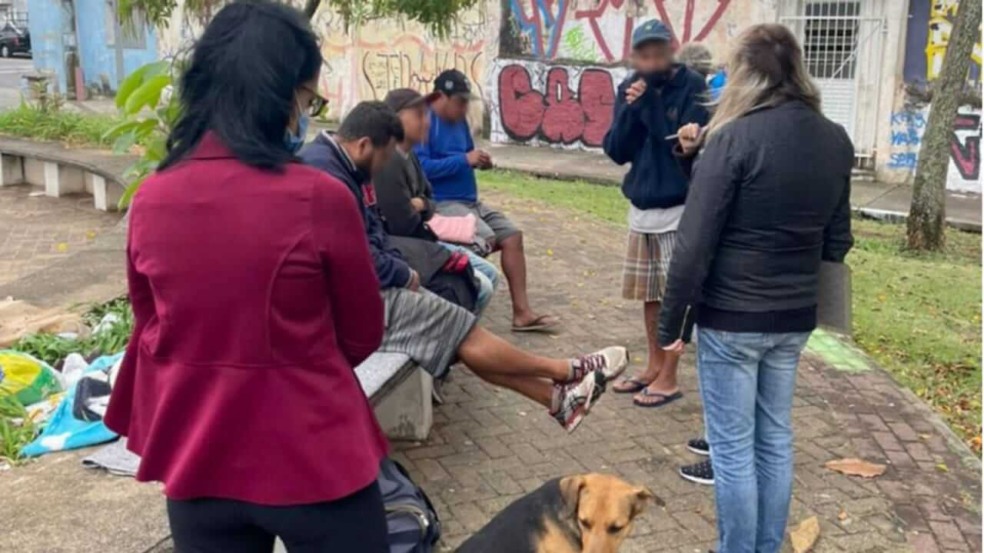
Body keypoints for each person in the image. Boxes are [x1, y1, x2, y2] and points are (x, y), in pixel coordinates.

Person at [104, 2, 391, 551]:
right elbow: (362, 333)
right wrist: (291, 363)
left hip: (199, 461)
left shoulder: (152, 199)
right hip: (315, 459)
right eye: (306, 100)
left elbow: (152, 328)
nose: (303, 114)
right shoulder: (320, 197)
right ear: (280, 94)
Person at [301, 101, 629, 432]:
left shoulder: (345, 167)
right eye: (383, 157)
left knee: (459, 334)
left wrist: (399, 267)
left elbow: (374, 233)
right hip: (345, 305)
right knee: (463, 331)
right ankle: (566, 373)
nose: (382, 167)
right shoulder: (327, 180)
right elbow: (360, 257)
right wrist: (402, 273)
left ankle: (559, 400)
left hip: (363, 290)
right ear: (363, 145)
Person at [658, 24, 854, 553]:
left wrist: (670, 324)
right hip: (793, 317)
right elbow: (838, 240)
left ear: (743, 75)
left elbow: (694, 243)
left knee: (732, 449)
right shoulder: (835, 138)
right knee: (775, 439)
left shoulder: (733, 138)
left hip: (732, 317)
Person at [603, 20, 709, 408]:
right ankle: (652, 366)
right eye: (643, 55)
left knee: (674, 296)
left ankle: (669, 376)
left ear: (672, 48)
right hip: (642, 205)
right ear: (635, 56)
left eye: (657, 53)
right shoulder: (630, 88)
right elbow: (616, 149)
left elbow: (678, 144)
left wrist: (647, 105)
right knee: (649, 295)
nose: (650, 62)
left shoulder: (692, 87)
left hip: (679, 207)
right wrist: (631, 109)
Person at [416, 70, 558, 333]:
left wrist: (480, 162)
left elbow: (467, 155)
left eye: (465, 102)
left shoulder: (458, 122)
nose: (463, 107)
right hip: (443, 202)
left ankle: (522, 313)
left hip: (470, 201)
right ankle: (456, 312)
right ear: (439, 97)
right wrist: (463, 160)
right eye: (459, 101)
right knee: (485, 237)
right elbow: (420, 167)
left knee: (512, 236)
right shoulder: (423, 122)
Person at [374, 88, 500, 313]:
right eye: (420, 115)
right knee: (481, 285)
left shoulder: (410, 155)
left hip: (423, 238)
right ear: (396, 117)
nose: (428, 123)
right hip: (404, 248)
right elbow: (402, 224)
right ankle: (454, 338)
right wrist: (422, 208)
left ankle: (459, 334)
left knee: (488, 273)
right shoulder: (388, 161)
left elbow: (430, 199)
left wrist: (421, 204)